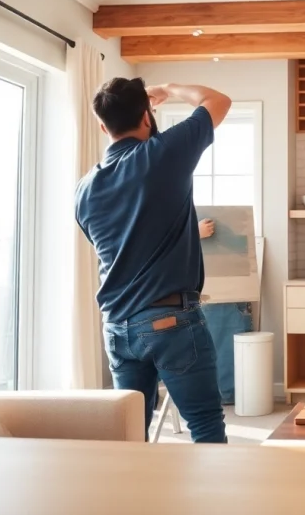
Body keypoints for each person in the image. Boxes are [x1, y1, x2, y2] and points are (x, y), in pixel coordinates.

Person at [75, 77, 232, 443]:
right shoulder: (161, 154)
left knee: (131, 436)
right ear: (147, 115)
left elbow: (120, 246)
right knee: (206, 428)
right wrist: (169, 88)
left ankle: (136, 502)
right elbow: (217, 98)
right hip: (170, 323)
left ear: (103, 126)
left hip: (117, 327)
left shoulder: (84, 188)